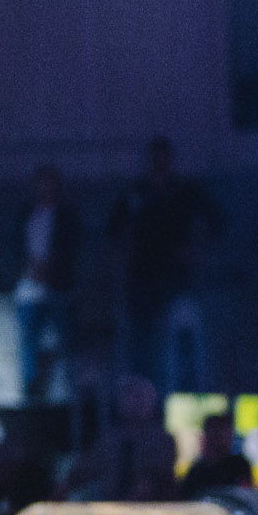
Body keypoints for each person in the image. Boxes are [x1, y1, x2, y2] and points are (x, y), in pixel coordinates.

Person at [108, 136, 222, 394]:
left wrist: (197, 248)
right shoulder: (136, 192)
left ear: (170, 160)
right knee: (144, 342)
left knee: (181, 337)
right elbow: (113, 228)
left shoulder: (185, 191)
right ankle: (148, 400)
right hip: (143, 277)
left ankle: (187, 395)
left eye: (164, 157)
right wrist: (128, 251)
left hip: (177, 277)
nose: (159, 163)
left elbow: (217, 220)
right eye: (154, 158)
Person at [12, 164, 82, 406]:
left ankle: (70, 397)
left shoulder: (67, 216)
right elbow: (13, 247)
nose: (45, 189)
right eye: (41, 184)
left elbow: (73, 249)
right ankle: (32, 394)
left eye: (50, 184)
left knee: (66, 342)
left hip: (59, 288)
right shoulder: (24, 214)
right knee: (30, 343)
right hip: (29, 289)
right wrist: (30, 269)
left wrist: (51, 268)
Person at [60, 375, 179, 502]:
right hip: (110, 509)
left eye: (141, 397)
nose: (135, 402)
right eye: (130, 396)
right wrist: (61, 491)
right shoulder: (109, 440)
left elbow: (153, 481)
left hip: (152, 510)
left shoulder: (162, 441)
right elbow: (81, 472)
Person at [185, 407, 257, 490]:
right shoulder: (197, 470)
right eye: (213, 434)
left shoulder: (239, 465)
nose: (217, 440)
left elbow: (245, 494)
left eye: (221, 435)